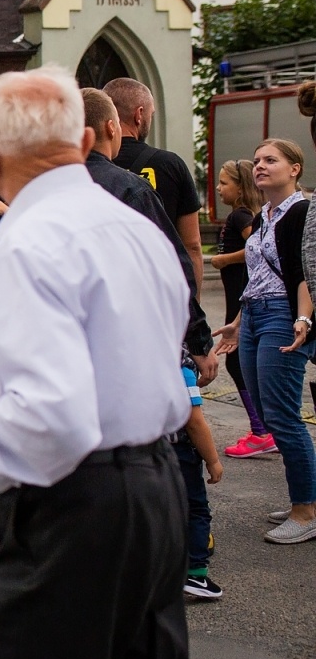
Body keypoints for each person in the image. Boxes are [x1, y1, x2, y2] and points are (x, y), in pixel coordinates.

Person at [0, 66, 193, 659]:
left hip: (82, 507)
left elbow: (53, 415)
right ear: (83, 140)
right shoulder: (138, 229)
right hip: (158, 490)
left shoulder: (33, 238)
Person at [209, 138, 316, 545]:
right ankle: (303, 499)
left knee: (285, 417)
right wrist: (237, 321)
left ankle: (306, 511)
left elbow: (304, 271)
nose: (260, 166)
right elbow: (258, 275)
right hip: (254, 314)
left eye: (271, 160)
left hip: (282, 315)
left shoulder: (303, 212)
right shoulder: (265, 214)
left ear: (294, 169)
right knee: (272, 416)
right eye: (256, 160)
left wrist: (303, 317)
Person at [81, 89, 215, 372]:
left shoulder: (41, 187)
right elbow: (174, 262)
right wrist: (197, 338)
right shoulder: (131, 189)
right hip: (127, 333)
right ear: (110, 126)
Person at [104, 77, 205, 288]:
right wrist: (192, 305)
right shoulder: (170, 165)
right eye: (150, 114)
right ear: (139, 114)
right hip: (157, 286)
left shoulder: (85, 167)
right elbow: (192, 245)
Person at [211, 158, 271, 458]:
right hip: (236, 296)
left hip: (242, 297)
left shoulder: (242, 217)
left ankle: (262, 429)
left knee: (237, 362)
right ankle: (262, 427)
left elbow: (257, 248)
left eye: (224, 183)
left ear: (240, 186)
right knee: (239, 362)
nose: (219, 188)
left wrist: (224, 260)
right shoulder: (239, 215)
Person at [176, 363, 225, 601]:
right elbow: (194, 422)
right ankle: (196, 574)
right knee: (196, 510)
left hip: (142, 453)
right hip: (179, 453)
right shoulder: (182, 370)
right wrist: (213, 460)